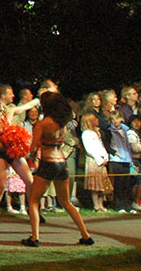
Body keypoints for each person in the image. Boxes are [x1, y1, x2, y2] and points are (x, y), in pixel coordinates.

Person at [21, 92, 94, 247]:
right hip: (61, 162)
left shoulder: (42, 124)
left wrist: (30, 154)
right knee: (66, 202)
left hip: (47, 162)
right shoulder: (63, 123)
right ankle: (86, 235)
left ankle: (34, 237)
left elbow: (33, 148)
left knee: (33, 200)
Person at [0, 85, 41, 224]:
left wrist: (41, 96)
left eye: (0, 102)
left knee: (30, 181)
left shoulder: (8, 114)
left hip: (14, 152)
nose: (0, 105)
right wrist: (8, 142)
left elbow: (26, 106)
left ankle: (33, 211)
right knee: (1, 185)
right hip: (1, 154)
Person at [81, 113, 112, 213]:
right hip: (94, 161)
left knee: (102, 184)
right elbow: (89, 149)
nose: (97, 120)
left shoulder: (96, 132)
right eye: (94, 119)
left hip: (102, 160)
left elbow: (101, 146)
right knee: (95, 185)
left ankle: (101, 204)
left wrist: (105, 156)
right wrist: (99, 159)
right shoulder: (86, 134)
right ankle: (96, 205)